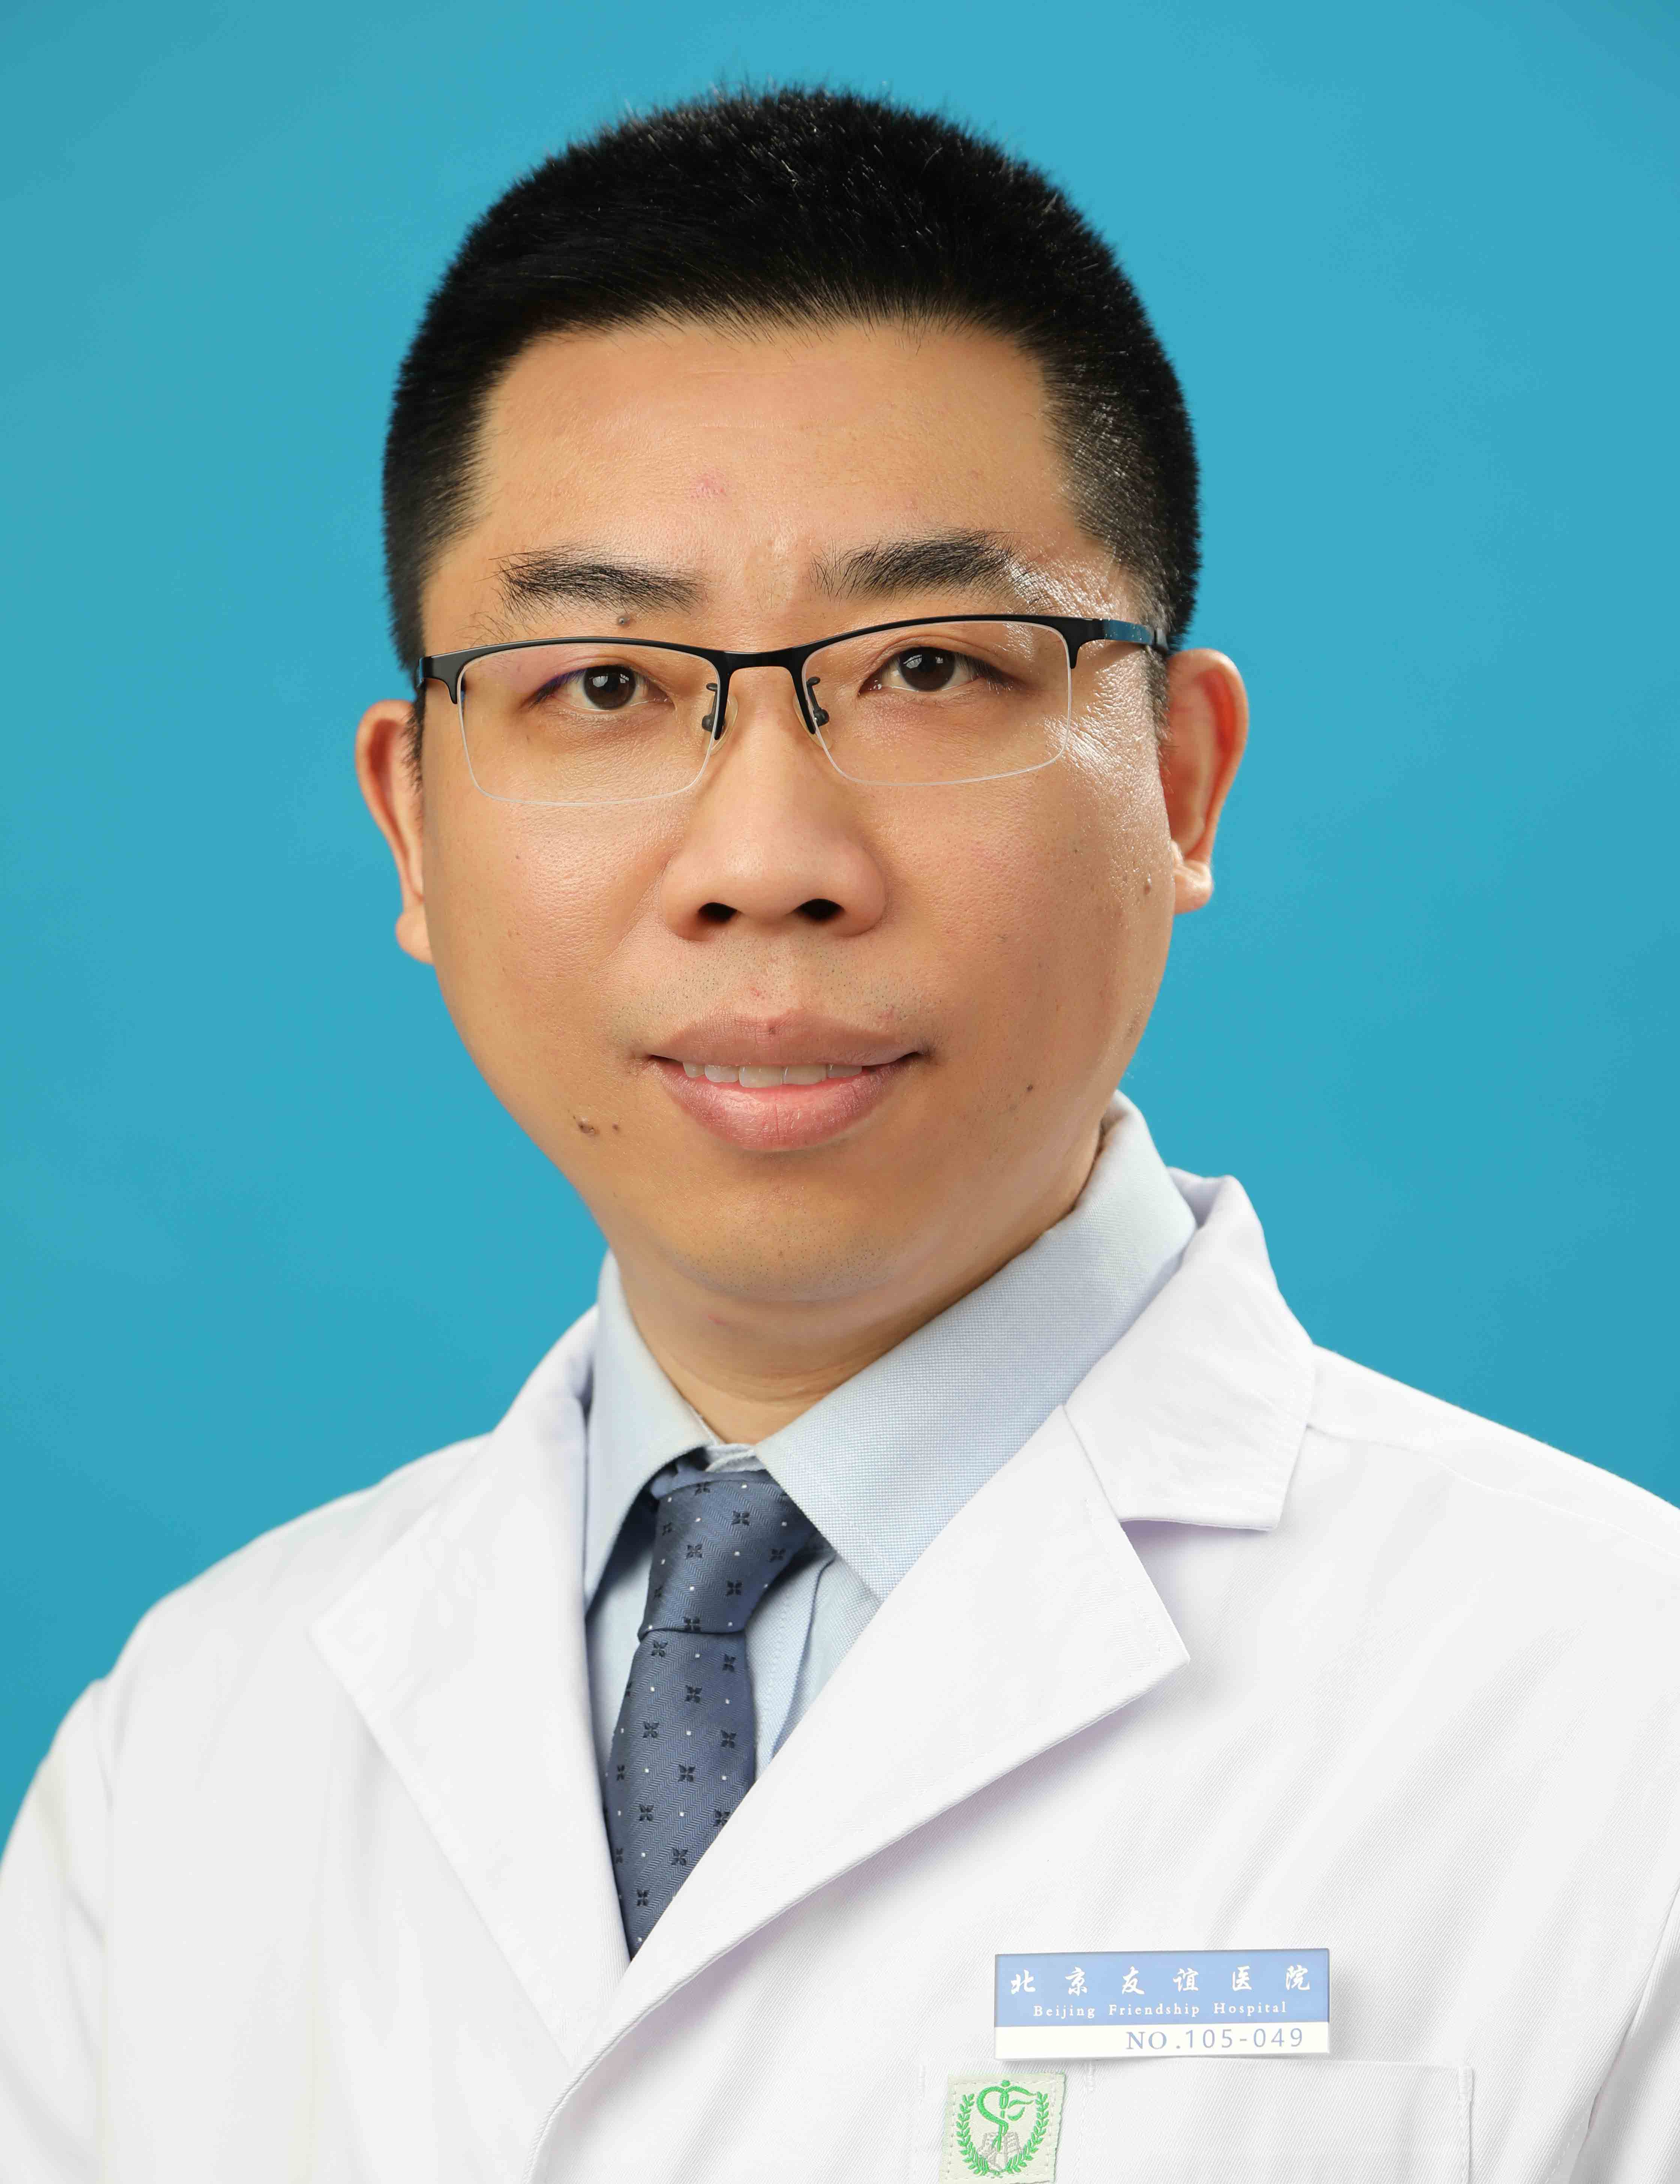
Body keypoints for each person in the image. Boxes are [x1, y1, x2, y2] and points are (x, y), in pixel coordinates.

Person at [0, 86, 1674, 2184]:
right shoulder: (184, 1755)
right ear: (413, 825)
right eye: (603, 686)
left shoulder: (1622, 1718)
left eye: (931, 668)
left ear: (1181, 782)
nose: (767, 862)